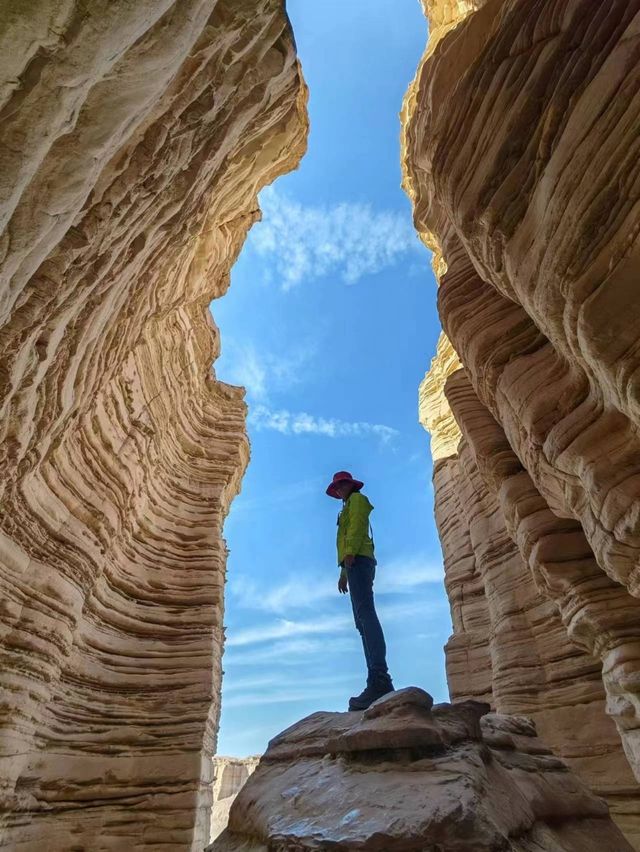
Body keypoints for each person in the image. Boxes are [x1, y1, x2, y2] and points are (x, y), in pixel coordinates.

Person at [326, 470, 395, 711]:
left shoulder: (357, 501)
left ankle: (380, 679)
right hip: (354, 564)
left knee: (366, 616)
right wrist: (343, 573)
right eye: (337, 488)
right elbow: (346, 537)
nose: (339, 490)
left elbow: (357, 527)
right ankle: (375, 679)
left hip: (360, 560)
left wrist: (351, 555)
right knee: (361, 621)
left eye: (342, 485)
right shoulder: (345, 506)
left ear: (349, 485)